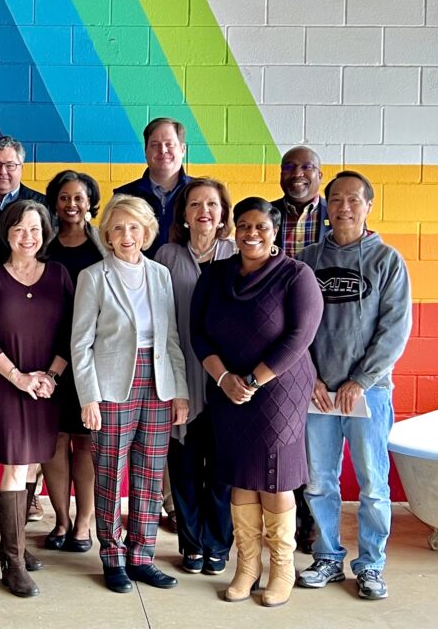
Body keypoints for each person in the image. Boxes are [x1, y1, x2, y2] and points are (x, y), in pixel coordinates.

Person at [190, 197, 323, 607]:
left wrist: (252, 379)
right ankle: (247, 567)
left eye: (261, 227)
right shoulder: (214, 275)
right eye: (244, 226)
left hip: (278, 390)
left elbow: (299, 337)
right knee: (240, 474)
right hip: (228, 389)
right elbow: (198, 333)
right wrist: (225, 378)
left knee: (276, 476)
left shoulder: (296, 275)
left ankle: (282, 568)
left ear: (275, 231)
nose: (251, 234)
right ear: (233, 229)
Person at [297, 171, 412, 601]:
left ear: (369, 206)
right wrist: (312, 378)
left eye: (353, 200)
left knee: (372, 484)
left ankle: (370, 566)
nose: (344, 207)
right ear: (325, 206)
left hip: (369, 393)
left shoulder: (387, 261)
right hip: (318, 394)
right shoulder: (306, 260)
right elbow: (294, 328)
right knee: (320, 481)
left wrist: (361, 380)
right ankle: (327, 557)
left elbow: (395, 329)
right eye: (336, 199)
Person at [71, 194, 189, 594]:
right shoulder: (93, 277)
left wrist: (180, 392)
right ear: (106, 233)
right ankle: (113, 556)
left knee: (150, 475)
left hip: (157, 385)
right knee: (110, 474)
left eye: (134, 227)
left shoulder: (159, 274)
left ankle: (142, 556)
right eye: (118, 227)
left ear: (146, 232)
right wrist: (89, 397)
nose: (126, 235)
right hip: (111, 388)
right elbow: (80, 344)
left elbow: (171, 338)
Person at [0, 200, 73, 597]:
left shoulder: (59, 274)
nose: (27, 236)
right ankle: (11, 563)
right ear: (6, 233)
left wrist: (50, 375)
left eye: (35, 229)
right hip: (4, 383)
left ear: (45, 233)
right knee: (12, 466)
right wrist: (16, 376)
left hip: (46, 385)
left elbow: (71, 331)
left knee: (32, 468)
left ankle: (16, 544)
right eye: (18, 229)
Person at [154, 178, 237, 576]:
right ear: (183, 215)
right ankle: (190, 544)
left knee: (221, 471)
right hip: (179, 376)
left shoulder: (238, 254)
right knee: (184, 469)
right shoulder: (166, 256)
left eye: (212, 205)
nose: (204, 211)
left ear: (223, 214)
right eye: (195, 204)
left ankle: (217, 544)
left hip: (226, 383)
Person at [41, 170, 105, 554]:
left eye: (78, 197)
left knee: (85, 441)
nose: (71, 205)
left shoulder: (103, 248)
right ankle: (61, 520)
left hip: (90, 357)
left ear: (90, 202)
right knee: (54, 440)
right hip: (48, 357)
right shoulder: (43, 247)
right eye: (64, 197)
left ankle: (84, 524)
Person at [270, 144, 330, 549]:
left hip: (321, 336)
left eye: (306, 167)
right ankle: (281, 522)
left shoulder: (336, 217)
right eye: (289, 167)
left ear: (319, 175)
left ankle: (312, 524)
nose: (297, 174)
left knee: (314, 442)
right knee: (282, 435)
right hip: (271, 337)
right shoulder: (267, 215)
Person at [113, 117, 191, 257]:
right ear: (145, 151)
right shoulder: (125, 195)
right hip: (139, 276)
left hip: (191, 276)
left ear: (183, 149)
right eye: (155, 145)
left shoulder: (199, 193)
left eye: (169, 144)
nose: (162, 150)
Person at [0, 136, 47, 264]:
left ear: (21, 168)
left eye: (10, 165)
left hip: (25, 278)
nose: (3, 171)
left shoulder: (41, 204)